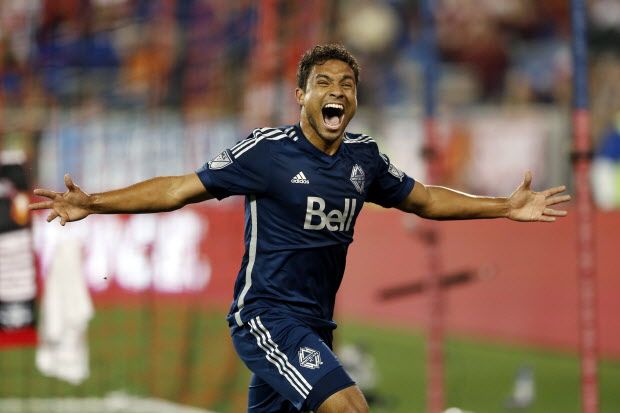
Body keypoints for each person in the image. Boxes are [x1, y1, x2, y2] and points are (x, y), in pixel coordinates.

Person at [29, 43, 571, 413]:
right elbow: (178, 189)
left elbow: (425, 200)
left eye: (347, 83)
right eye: (323, 82)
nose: (337, 90)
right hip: (265, 316)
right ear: (303, 97)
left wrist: (504, 205)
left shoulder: (366, 159)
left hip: (315, 324)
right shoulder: (265, 152)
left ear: (354, 100)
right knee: (349, 406)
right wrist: (94, 202)